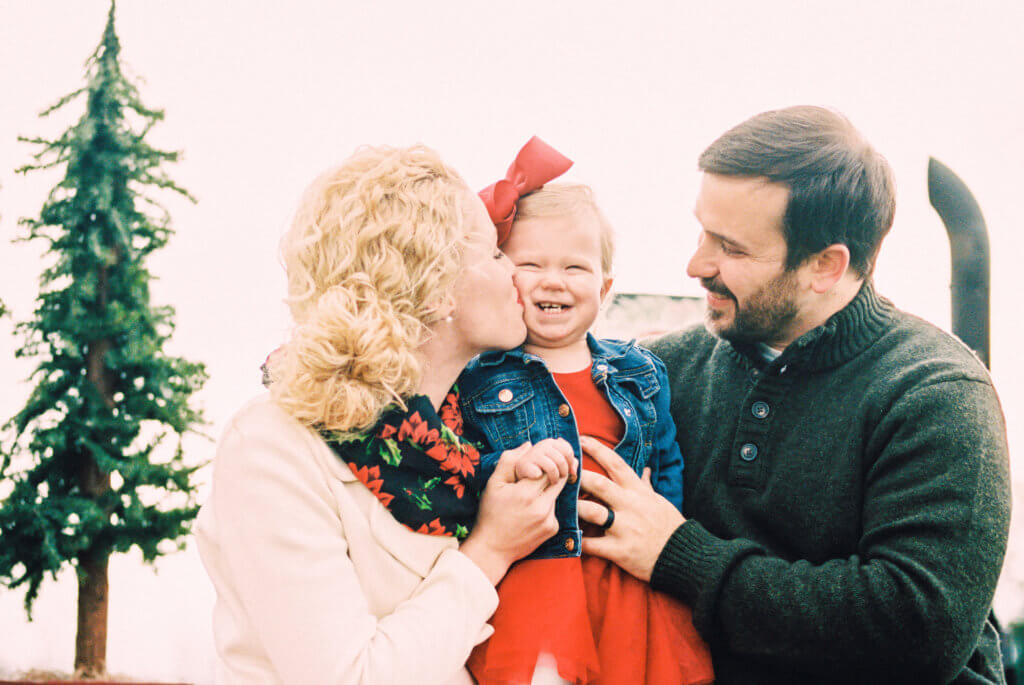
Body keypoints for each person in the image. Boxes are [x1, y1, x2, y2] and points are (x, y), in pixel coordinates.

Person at [576, 106, 1012, 684]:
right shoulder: (658, 372)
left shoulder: (936, 392)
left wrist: (682, 557)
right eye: (702, 230)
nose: (696, 264)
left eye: (730, 248)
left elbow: (920, 630)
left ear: (826, 266)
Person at [195, 145, 578, 684]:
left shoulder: (462, 444)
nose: (513, 270)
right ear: (439, 285)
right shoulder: (271, 445)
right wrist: (490, 550)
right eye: (494, 254)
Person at [458, 138, 713, 685]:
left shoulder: (640, 370)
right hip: (536, 579)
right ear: (504, 276)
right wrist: (505, 476)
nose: (554, 280)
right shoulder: (477, 378)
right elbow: (460, 467)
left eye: (575, 266)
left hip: (628, 580)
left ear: (606, 286)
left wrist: (662, 523)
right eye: (532, 264)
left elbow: (666, 457)